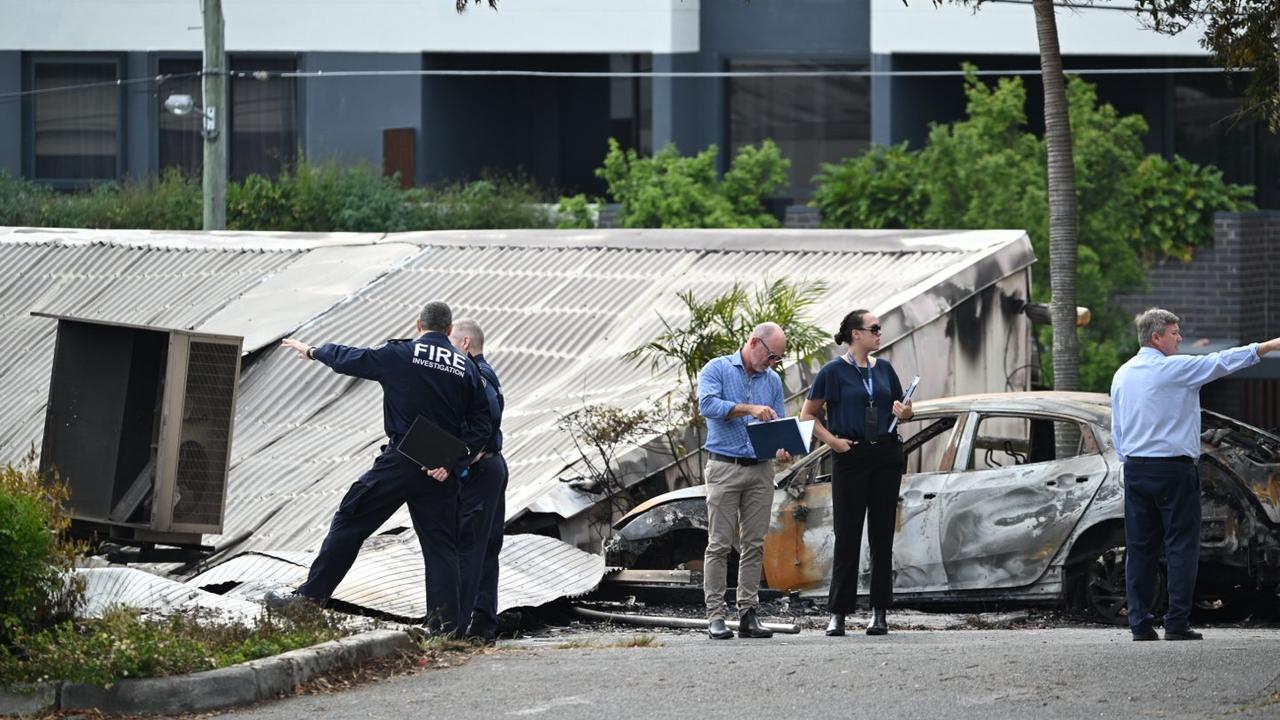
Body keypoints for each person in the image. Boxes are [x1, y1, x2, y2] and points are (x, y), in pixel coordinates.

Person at [268, 301, 492, 635]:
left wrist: (314, 351)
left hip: (400, 462)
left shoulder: (399, 354)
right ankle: (445, 630)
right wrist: (449, 461)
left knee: (349, 521)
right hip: (439, 474)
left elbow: (352, 358)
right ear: (448, 331)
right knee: (441, 548)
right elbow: (482, 426)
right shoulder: (466, 368)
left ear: (419, 326)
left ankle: (308, 602)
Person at [1110, 308, 1280, 641]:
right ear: (1157, 337)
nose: (1180, 338)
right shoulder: (1174, 368)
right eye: (1175, 332)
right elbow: (1222, 361)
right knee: (1180, 546)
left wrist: (1128, 460)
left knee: (1140, 548)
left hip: (1135, 468)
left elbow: (1117, 426)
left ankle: (1140, 624)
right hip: (1173, 470)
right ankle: (1176, 622)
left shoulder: (1123, 374)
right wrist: (1269, 345)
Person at [800, 309, 912, 637]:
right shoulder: (833, 372)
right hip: (851, 455)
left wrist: (906, 412)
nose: (880, 333)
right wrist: (833, 442)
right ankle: (838, 612)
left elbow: (905, 409)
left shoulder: (885, 368)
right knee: (847, 535)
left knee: (882, 535)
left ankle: (880, 612)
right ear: (855, 334)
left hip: (885, 454)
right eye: (874, 329)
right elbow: (808, 415)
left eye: (880, 329)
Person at [697, 322, 793, 640]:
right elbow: (707, 405)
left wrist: (783, 448)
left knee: (754, 543)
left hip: (761, 468)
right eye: (771, 355)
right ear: (754, 342)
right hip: (724, 467)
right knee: (720, 544)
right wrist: (749, 408)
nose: (773, 363)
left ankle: (748, 613)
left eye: (778, 358)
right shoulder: (718, 369)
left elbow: (778, 420)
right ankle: (715, 616)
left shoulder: (773, 380)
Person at [449, 318, 508, 644]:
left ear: (466, 343)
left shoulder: (477, 375)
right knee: (484, 549)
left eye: (451, 341)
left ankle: (464, 624)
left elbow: (487, 422)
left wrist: (462, 454)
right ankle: (481, 624)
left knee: (471, 548)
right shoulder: (483, 373)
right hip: (490, 467)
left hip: (481, 469)